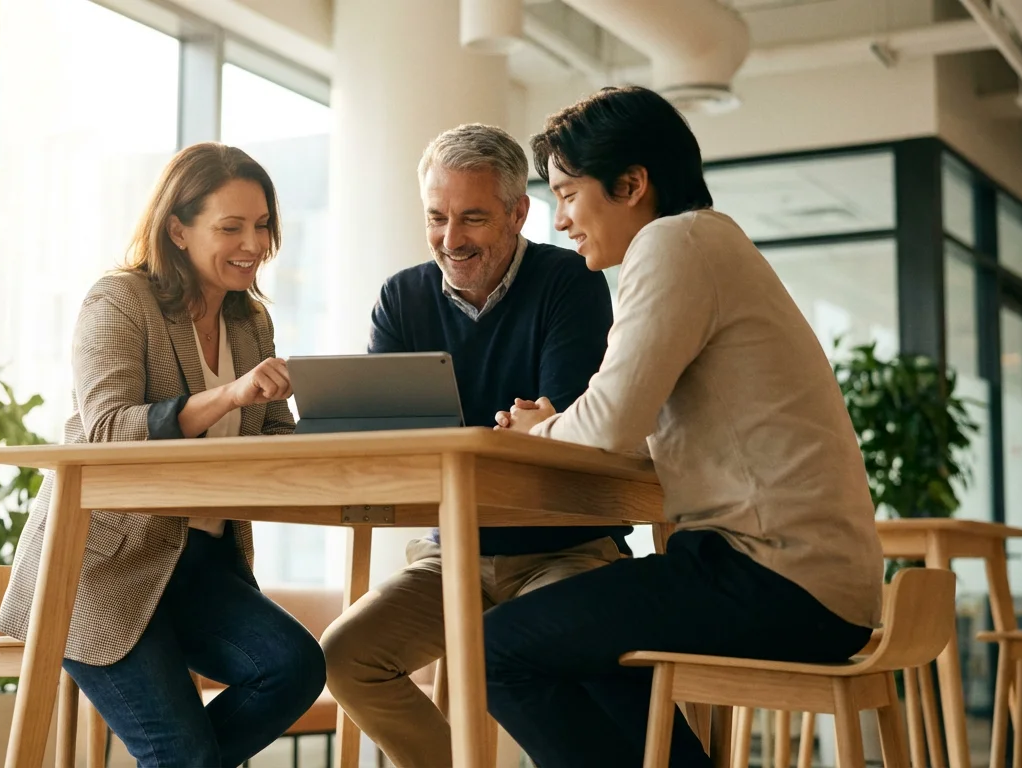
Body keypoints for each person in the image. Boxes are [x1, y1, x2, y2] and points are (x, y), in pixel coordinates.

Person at [487, 86, 884, 767]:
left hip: (774, 577)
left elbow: (609, 422)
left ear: (633, 183)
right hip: (803, 576)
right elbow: (638, 420)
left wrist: (531, 438)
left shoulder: (672, 244)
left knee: (493, 651)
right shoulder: (706, 242)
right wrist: (561, 423)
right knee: (585, 640)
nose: (559, 221)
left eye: (569, 193)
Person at [0, 143, 325, 768]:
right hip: (102, 568)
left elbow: (275, 435)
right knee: (183, 756)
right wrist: (226, 395)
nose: (252, 243)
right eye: (230, 228)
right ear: (177, 229)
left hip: (200, 567)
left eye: (261, 226)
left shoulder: (250, 320)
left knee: (292, 668)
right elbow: (106, 431)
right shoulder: (120, 301)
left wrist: (337, 429)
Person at [319, 123, 631, 768]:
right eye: (436, 217)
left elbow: (565, 428)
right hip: (452, 551)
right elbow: (392, 447)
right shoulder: (402, 298)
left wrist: (533, 425)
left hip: (561, 547)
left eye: (473, 218)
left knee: (540, 661)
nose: (451, 240)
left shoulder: (568, 281)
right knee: (347, 659)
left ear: (519, 212)